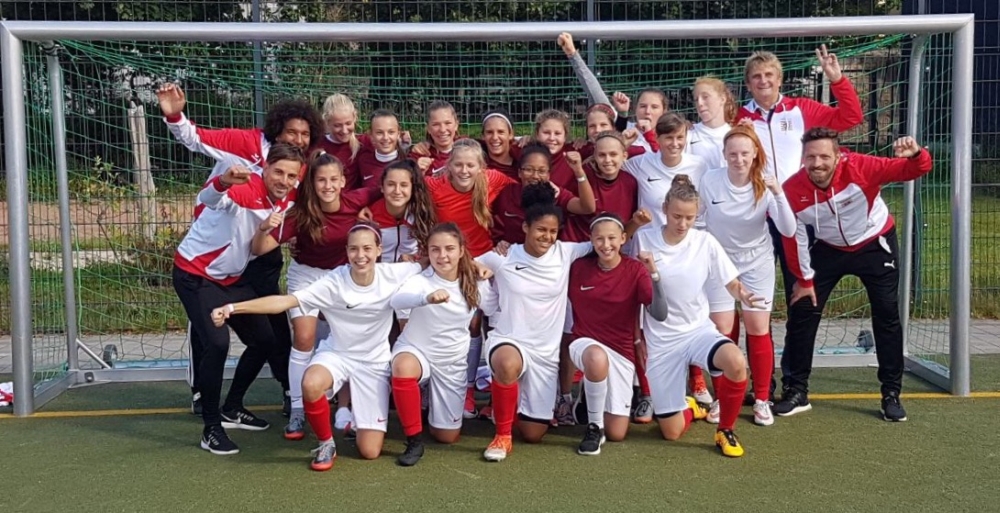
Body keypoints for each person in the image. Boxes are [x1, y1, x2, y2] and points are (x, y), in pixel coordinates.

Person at [211, 223, 425, 470]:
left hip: (374, 363)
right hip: (337, 355)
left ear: (379, 250)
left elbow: (430, 262)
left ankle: (358, 422)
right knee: (311, 383)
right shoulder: (333, 282)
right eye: (354, 249)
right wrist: (233, 308)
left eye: (367, 248)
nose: (360, 255)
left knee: (369, 452)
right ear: (346, 251)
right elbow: (284, 302)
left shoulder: (395, 273)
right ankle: (326, 443)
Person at [775, 128, 932, 422]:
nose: (817, 163)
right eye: (810, 157)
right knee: (803, 309)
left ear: (838, 156)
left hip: (874, 243)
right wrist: (804, 279)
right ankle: (796, 391)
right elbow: (792, 236)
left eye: (824, 156)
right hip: (828, 247)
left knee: (886, 314)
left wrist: (916, 154)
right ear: (802, 158)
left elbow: (915, 169)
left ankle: (891, 394)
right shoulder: (792, 189)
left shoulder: (863, 167)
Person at [172, 144, 304, 455]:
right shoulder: (245, 190)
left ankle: (232, 407)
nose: (284, 180)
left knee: (266, 340)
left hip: (231, 280)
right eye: (278, 172)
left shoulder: (288, 198)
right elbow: (209, 199)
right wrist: (222, 182)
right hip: (196, 275)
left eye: (291, 176)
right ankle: (211, 428)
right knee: (217, 344)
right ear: (265, 168)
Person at [251, 151, 380, 440]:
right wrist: (263, 228)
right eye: (321, 180)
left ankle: (346, 408)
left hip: (341, 277)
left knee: (348, 339)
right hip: (307, 275)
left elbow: (391, 186)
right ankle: (297, 410)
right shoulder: (300, 213)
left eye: (334, 179)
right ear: (312, 182)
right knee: (304, 338)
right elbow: (259, 248)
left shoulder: (356, 200)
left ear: (343, 181)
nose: (328, 186)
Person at [636, 174, 762, 458]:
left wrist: (743, 294)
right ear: (665, 209)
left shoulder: (705, 242)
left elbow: (731, 282)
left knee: (736, 362)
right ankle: (692, 407)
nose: (682, 224)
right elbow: (635, 292)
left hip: (698, 332)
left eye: (689, 218)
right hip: (662, 342)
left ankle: (725, 430)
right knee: (671, 432)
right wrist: (637, 337)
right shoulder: (644, 239)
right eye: (677, 216)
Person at [476, 183, 594, 462]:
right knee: (507, 364)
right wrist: (478, 270)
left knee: (533, 433)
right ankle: (502, 435)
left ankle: (510, 402)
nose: (547, 236)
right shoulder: (505, 255)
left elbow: (605, 241)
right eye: (541, 229)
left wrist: (634, 225)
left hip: (545, 354)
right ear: (526, 227)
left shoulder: (565, 252)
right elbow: (465, 262)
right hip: (509, 339)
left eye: (553, 231)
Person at [699, 125, 796, 426]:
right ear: (724, 155)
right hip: (719, 262)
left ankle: (762, 399)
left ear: (755, 153)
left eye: (744, 153)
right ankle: (722, 397)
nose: (739, 159)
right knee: (721, 328)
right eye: (733, 154)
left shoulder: (765, 183)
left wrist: (778, 193)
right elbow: (699, 221)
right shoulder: (710, 180)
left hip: (756, 261)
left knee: (757, 327)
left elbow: (788, 228)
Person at [388, 223, 498, 466]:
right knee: (403, 367)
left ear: (461, 251)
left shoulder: (473, 281)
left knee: (446, 436)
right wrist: (426, 298)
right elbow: (397, 300)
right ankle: (414, 440)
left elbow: (492, 308)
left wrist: (487, 275)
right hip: (416, 350)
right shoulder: (422, 279)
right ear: (427, 252)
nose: (442, 255)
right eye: (435, 249)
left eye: (449, 248)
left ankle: (427, 402)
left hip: (451, 360)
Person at [566, 213, 666, 455]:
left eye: (612, 238)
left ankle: (590, 396)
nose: (606, 244)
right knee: (596, 358)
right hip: (585, 344)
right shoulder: (578, 268)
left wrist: (654, 274)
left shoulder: (635, 269)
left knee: (617, 433)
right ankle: (594, 427)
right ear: (591, 240)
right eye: (599, 239)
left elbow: (660, 313)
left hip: (621, 350)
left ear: (623, 238)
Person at [156, 83, 323, 176]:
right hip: (216, 226)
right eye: (292, 133)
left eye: (305, 134)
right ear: (278, 133)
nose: (299, 141)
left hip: (263, 229)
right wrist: (175, 116)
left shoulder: (306, 166)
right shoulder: (243, 142)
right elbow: (194, 138)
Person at [491, 144, 596, 246]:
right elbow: (489, 219)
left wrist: (578, 171)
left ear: (548, 174)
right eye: (529, 169)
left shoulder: (555, 193)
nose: (535, 176)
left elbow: (587, 208)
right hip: (514, 253)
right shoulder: (507, 193)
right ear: (519, 172)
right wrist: (500, 242)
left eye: (542, 171)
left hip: (547, 253)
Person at [686, 77, 738, 169]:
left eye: (705, 97)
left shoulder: (736, 136)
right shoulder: (689, 134)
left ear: (722, 99)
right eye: (696, 99)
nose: (700, 103)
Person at [318, 93, 366, 189]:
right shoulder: (318, 145)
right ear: (327, 122)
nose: (344, 130)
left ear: (354, 118)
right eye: (337, 125)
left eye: (348, 123)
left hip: (353, 197)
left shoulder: (363, 142)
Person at [355, 109, 406, 189]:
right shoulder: (363, 160)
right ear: (371, 135)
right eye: (379, 133)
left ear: (398, 134)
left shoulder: (408, 162)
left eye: (391, 132)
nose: (385, 138)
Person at [411, 100, 462, 176]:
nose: (442, 130)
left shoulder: (469, 149)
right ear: (428, 128)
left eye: (447, 123)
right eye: (436, 124)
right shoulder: (419, 155)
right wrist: (416, 172)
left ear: (456, 125)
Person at [480, 109, 522, 178]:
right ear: (483, 136)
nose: (495, 137)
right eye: (489, 132)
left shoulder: (523, 160)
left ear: (511, 134)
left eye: (500, 132)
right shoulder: (477, 164)